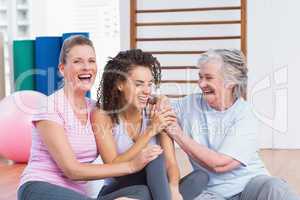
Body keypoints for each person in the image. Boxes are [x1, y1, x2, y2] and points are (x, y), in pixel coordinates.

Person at [17, 35, 160, 200]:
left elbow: (132, 98)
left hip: (77, 195)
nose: (87, 67)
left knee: (141, 192)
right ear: (62, 69)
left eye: (91, 61)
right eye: (78, 61)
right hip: (40, 187)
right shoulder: (50, 107)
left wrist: (159, 100)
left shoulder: (95, 109)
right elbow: (72, 171)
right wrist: (131, 166)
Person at [162, 49, 300, 200]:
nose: (201, 84)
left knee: (276, 188)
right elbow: (159, 111)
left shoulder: (245, 115)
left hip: (250, 186)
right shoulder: (190, 105)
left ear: (231, 81)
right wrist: (158, 100)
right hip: (211, 193)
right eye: (200, 77)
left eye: (209, 78)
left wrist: (177, 134)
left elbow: (219, 164)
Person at [91, 49, 209, 200]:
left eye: (150, 84)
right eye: (139, 84)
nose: (147, 91)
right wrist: (151, 130)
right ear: (120, 84)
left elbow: (171, 164)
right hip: (116, 189)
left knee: (200, 177)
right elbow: (112, 166)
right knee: (153, 159)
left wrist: (173, 190)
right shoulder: (103, 115)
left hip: (149, 189)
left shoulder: (158, 111)